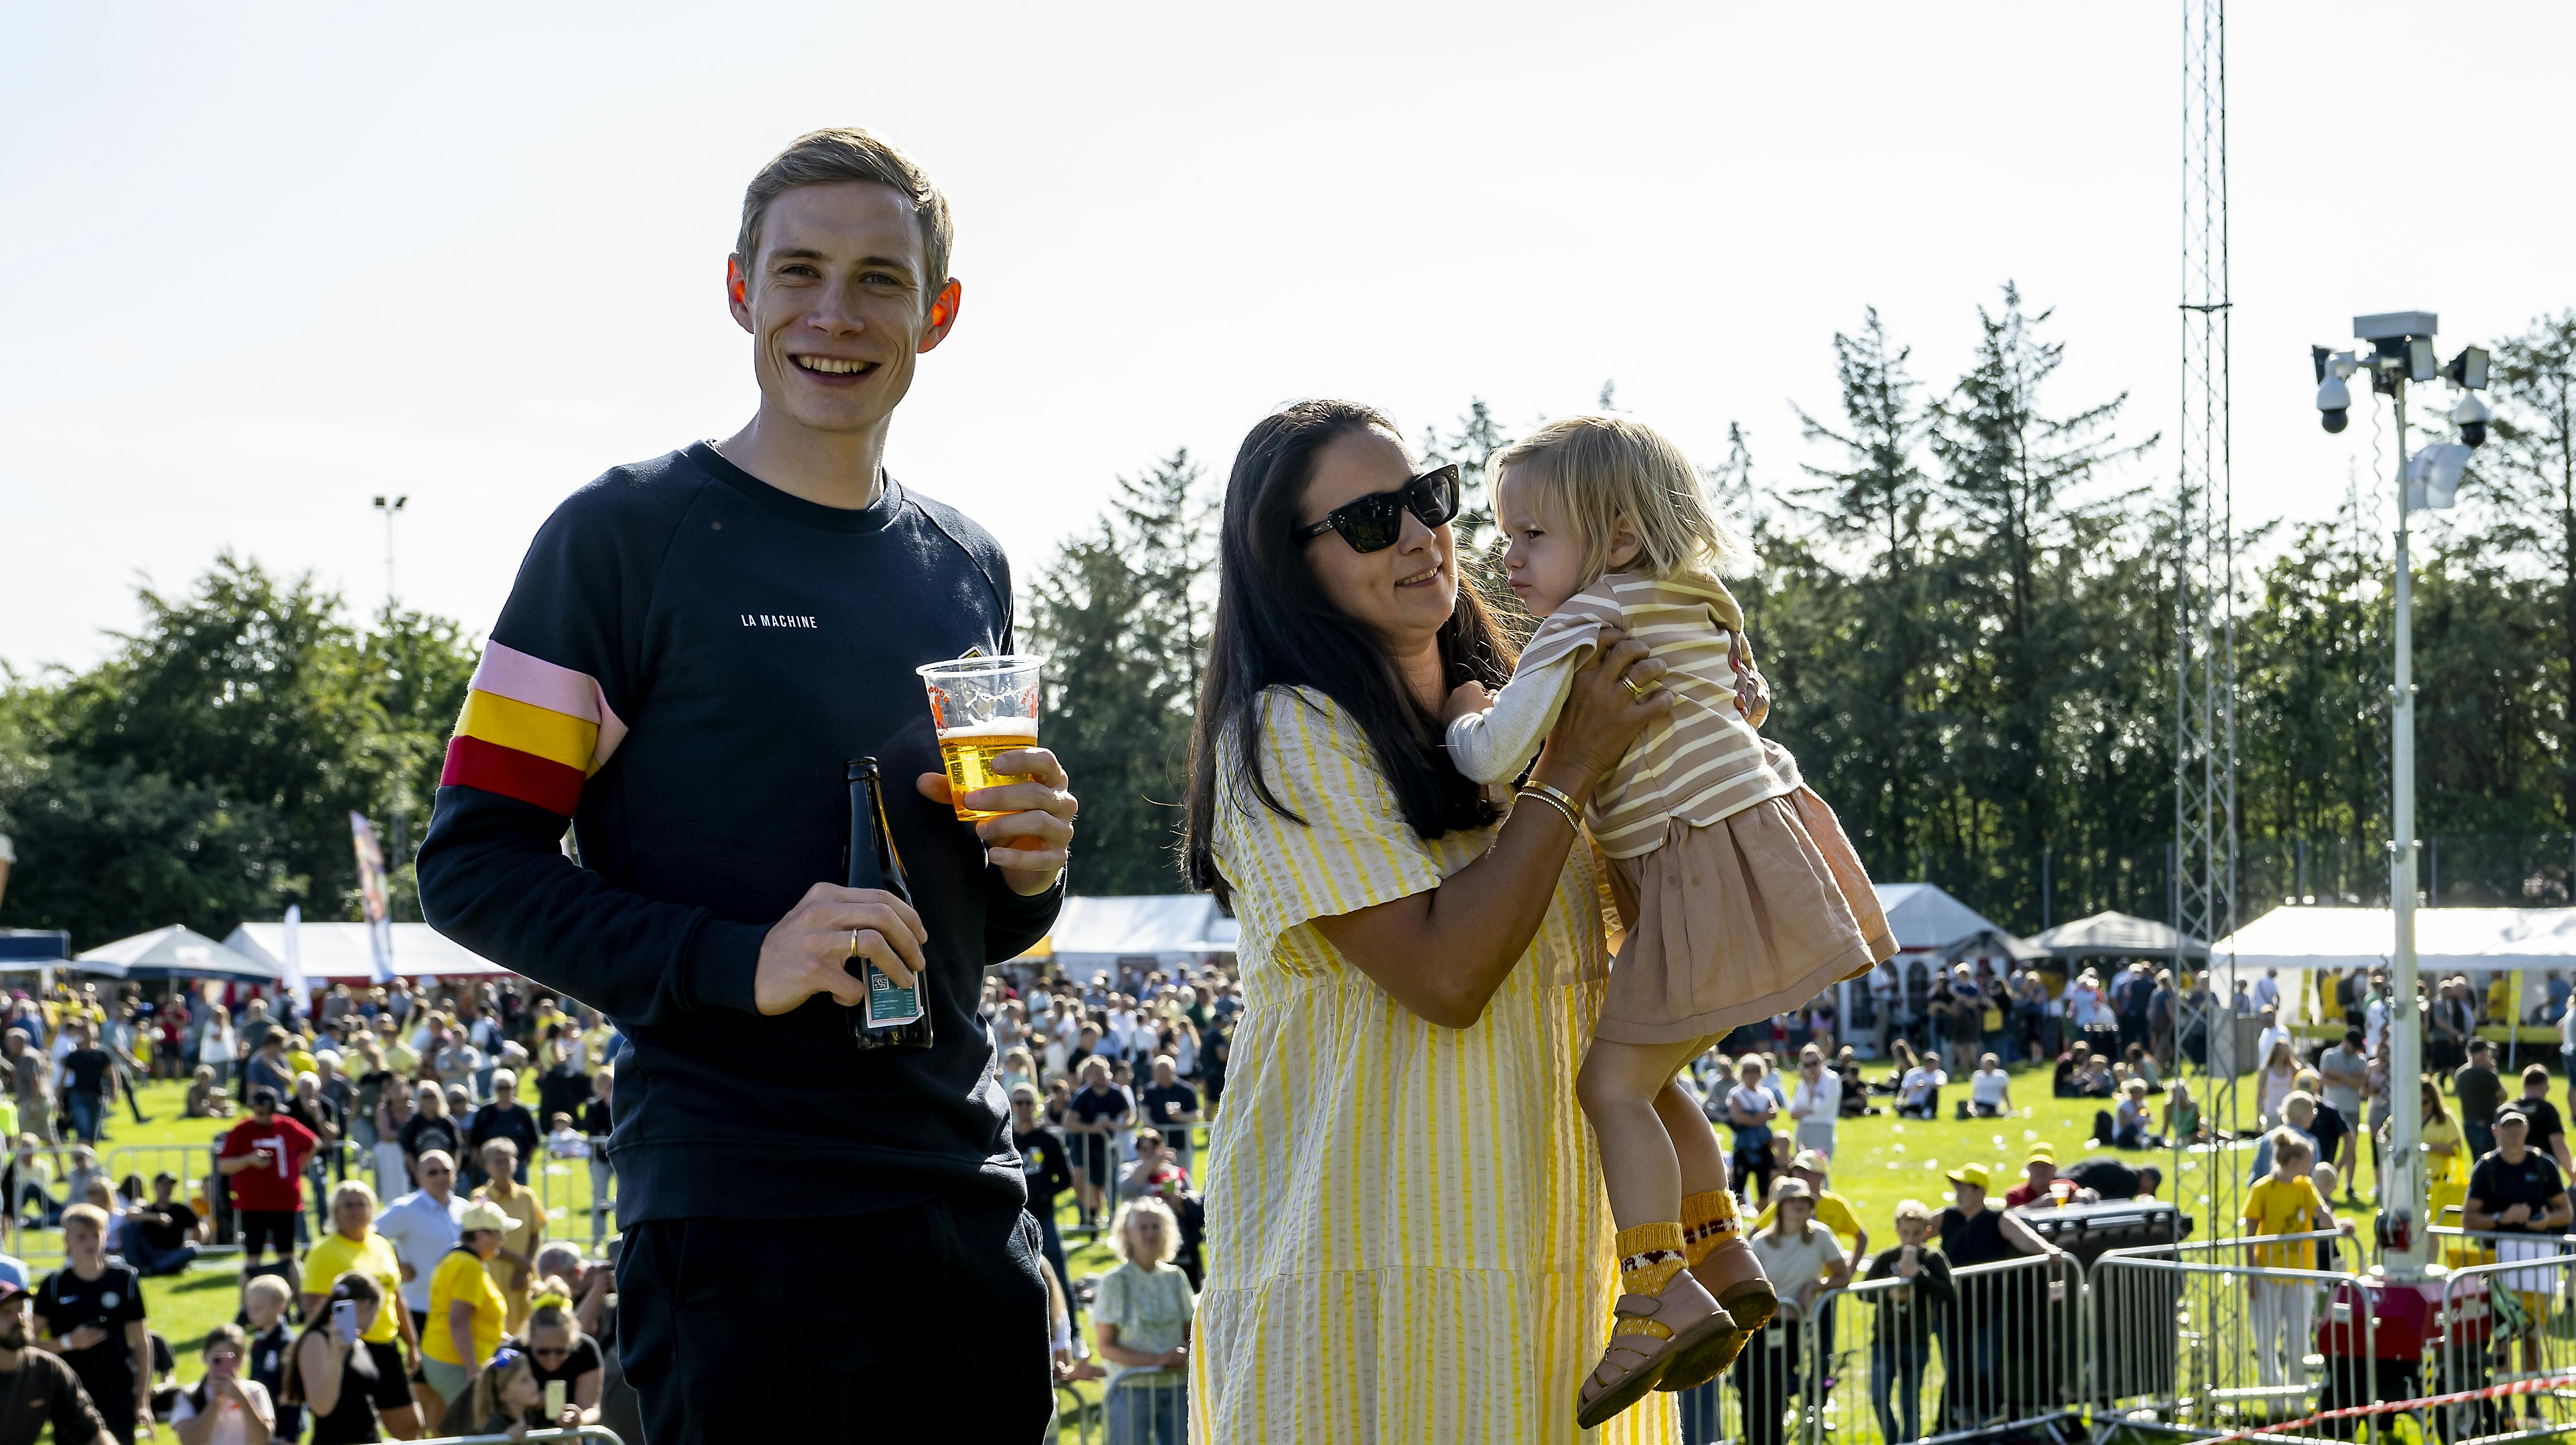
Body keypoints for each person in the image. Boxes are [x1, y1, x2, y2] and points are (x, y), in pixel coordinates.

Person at [415, 125, 1074, 1443]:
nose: (835, 313)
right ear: (739, 291)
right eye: (799, 272)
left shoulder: (970, 562)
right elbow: (469, 864)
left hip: (965, 1193)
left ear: (937, 314)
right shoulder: (618, 536)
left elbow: (982, 927)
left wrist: (1035, 862)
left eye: (880, 278)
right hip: (740, 1208)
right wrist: (739, 956)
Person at [1179, 399, 1685, 1443]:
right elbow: (1447, 976)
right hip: (1367, 1272)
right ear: (1288, 563)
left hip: (1553, 1262)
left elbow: (1641, 945)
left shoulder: (1514, 722)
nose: (1421, 536)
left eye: (1426, 497)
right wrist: (1573, 770)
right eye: (1369, 521)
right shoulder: (1284, 732)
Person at [1433, 414, 1896, 1425]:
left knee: (1607, 1085)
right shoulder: (1696, 597)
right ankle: (1719, 1247)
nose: (1505, 559)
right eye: (1506, 537)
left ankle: (1649, 1295)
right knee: (1652, 1073)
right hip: (1750, 855)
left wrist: (1463, 702)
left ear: (1618, 540)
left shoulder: (1580, 623)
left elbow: (1490, 757)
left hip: (1693, 872)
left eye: (1530, 537)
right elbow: (1741, 705)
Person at [1934, 1165, 2068, 1430]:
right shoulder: (1945, 1218)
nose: (1958, 1193)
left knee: (1984, 1366)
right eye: (1957, 1187)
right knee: (1956, 1369)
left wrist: (2050, 1251)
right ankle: (1958, 1424)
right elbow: (1914, 1227)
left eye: (1963, 1187)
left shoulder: (1998, 1218)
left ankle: (1990, 1423)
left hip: (1987, 1310)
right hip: (1950, 1310)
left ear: (1980, 1191)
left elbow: (2025, 1238)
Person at [299, 1181, 423, 1440]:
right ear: (335, 1211)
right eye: (348, 1205)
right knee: (353, 1429)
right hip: (347, 1349)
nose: (356, 1211)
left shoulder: (382, 1245)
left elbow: (396, 1297)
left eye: (362, 1204)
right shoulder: (324, 1251)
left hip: (386, 1346)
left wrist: (411, 1343)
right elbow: (312, 1307)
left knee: (412, 1426)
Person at [2465, 1106, 2572, 1387]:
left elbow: (2566, 1213)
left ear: (2526, 1129)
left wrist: (2547, 1219)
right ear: (2495, 1131)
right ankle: (2503, 1407)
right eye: (2507, 1126)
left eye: (2518, 1126)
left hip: (2537, 1262)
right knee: (2502, 1335)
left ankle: (2533, 1406)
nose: (2513, 1132)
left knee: (2533, 1334)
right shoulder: (2486, 1168)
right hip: (2498, 1265)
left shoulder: (2543, 1165)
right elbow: (2469, 1219)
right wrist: (2503, 1217)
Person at [1735, 1179, 1847, 1445]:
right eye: (1794, 1200)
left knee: (1770, 1381)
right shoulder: (1761, 1242)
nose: (1800, 1205)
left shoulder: (1820, 1236)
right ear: (1780, 1206)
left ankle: (1773, 1440)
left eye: (1805, 1201)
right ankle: (1754, 1439)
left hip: (1792, 1326)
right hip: (1757, 1326)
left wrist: (1816, 1286)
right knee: (1745, 1382)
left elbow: (1842, 1275)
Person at [30, 1204, 151, 1444]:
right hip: (71, 1392)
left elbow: (141, 1342)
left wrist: (143, 1400)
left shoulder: (124, 1280)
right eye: (82, 1236)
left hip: (118, 1389)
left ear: (106, 1237)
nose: (90, 1243)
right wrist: (68, 1342)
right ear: (67, 1240)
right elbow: (29, 1345)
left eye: (96, 1235)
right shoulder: (54, 1287)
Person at [2244, 1131, 2343, 1395]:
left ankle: (2299, 1397)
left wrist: (2341, 1227)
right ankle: (2274, 1398)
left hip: (2300, 1274)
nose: (2311, 1166)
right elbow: (2249, 1236)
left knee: (2299, 1339)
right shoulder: (2262, 1189)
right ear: (2295, 1161)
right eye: (2308, 1160)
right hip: (2268, 1274)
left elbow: (2324, 1217)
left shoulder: (2305, 1187)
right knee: (2267, 1338)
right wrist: (2251, 1276)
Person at [374, 1150, 464, 1424]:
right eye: (432, 1172)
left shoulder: (464, 1207)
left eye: (446, 1171)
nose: (440, 1178)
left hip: (458, 1311)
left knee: (450, 1386)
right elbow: (371, 1237)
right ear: (418, 1177)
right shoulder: (406, 1209)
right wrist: (398, 1263)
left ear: (455, 1173)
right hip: (420, 1309)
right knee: (425, 1386)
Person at [1095, 1198, 1194, 1445]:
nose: (1150, 1233)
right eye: (1143, 1227)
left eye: (1156, 1226)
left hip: (1176, 1387)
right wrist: (1158, 1360)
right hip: (1131, 1389)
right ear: (1127, 1234)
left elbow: (1191, 1332)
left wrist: (1182, 1353)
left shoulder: (1176, 1277)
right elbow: (1106, 1347)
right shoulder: (1115, 1282)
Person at [1859, 1200, 1954, 1445]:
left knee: (1910, 1401)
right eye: (1905, 1232)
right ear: (1897, 1230)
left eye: (1916, 1233)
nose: (1910, 1238)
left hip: (1917, 1340)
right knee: (1879, 1396)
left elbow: (1949, 1292)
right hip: (1884, 1339)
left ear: (1927, 1232)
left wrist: (1919, 1277)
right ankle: (1893, 1440)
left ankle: (1910, 1441)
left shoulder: (1933, 1258)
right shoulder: (1886, 1258)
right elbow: (1863, 1292)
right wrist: (1888, 1293)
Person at [216, 1088, 318, 1297]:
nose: (263, 1117)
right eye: (259, 1112)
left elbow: (313, 1143)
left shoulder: (287, 1126)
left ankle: (298, 1303)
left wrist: (299, 1167)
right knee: (253, 1258)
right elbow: (223, 1165)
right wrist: (249, 1160)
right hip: (253, 1203)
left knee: (288, 1256)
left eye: (267, 1112)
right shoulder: (242, 1130)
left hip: (284, 1202)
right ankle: (246, 1307)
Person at [421, 1201, 510, 1410]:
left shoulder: (457, 1258)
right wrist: (473, 1370)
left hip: (445, 1357)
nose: (502, 1239)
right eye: (499, 1233)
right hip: (456, 1364)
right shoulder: (469, 1266)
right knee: (474, 1428)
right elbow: (459, 1321)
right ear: (480, 1235)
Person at [279, 1272, 387, 1444]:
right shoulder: (316, 1340)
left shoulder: (357, 1342)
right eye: (377, 1310)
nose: (376, 1318)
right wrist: (337, 1355)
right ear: (365, 1304)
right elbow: (321, 1407)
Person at [1009, 1085, 1076, 1302]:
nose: (1023, 1108)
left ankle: (1073, 1332)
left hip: (1044, 1217)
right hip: (1013, 1218)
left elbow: (1067, 1178)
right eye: (1019, 1102)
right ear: (1011, 1106)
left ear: (1037, 1106)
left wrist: (1046, 1193)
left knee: (1057, 1273)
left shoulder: (1049, 1141)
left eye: (1028, 1102)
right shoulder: (1005, 1141)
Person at [469, 1141, 541, 1332]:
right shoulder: (480, 1197)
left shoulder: (527, 1195)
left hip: (525, 1275)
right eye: (497, 1162)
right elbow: (481, 1239)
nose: (503, 1166)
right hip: (496, 1273)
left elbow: (535, 1234)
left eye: (507, 1160)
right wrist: (520, 1262)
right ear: (486, 1166)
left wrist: (525, 1266)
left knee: (528, 1328)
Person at [168, 1322, 276, 1445]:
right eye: (218, 1359)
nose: (227, 1365)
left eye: (234, 1358)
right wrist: (217, 1401)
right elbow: (189, 1441)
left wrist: (242, 1398)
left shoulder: (256, 1391)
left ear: (244, 1360)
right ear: (205, 1356)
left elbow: (263, 1440)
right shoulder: (190, 1395)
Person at [515, 1290, 603, 1430]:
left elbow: (592, 1408)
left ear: (572, 1343)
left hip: (569, 1435)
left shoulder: (586, 1350)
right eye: (543, 1352)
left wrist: (579, 1420)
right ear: (529, 1340)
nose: (552, 1359)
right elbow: (494, 1404)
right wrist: (533, 1399)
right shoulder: (514, 1353)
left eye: (561, 1351)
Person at [1065, 1057, 1133, 1232]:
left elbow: (1130, 1116)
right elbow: (1069, 1121)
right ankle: (1092, 1213)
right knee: (1077, 1178)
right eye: (1095, 1073)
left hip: (1105, 1147)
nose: (1099, 1077)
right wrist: (1092, 1129)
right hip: (1082, 1144)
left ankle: (1095, 1217)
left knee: (1099, 1187)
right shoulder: (1083, 1094)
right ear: (1088, 1076)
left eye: (1102, 1072)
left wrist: (1118, 1125)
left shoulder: (1117, 1093)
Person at [463, 1072, 539, 1189]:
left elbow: (534, 1140)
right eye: (501, 1088)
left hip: (517, 1166)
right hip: (489, 1167)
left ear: (514, 1089)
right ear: (495, 1090)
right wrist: (482, 1164)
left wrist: (525, 1161)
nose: (504, 1092)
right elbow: (475, 1142)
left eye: (508, 1088)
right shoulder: (485, 1112)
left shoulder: (523, 1112)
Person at [1728, 1057, 1782, 1214]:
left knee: (1764, 1185)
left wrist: (1751, 1118)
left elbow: (1774, 1112)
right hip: (1743, 1146)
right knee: (1738, 1185)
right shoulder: (1737, 1093)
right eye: (1748, 1071)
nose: (1752, 1075)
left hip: (1763, 1146)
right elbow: (1737, 1116)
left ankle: (1762, 1217)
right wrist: (1760, 1117)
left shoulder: (1766, 1093)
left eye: (1756, 1071)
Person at [1134, 1056, 1203, 1176]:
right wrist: (1148, 1123)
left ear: (1174, 1071)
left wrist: (1181, 1117)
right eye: (1159, 1073)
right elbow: (1144, 1112)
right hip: (1156, 1147)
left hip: (1182, 1144)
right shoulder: (1150, 1091)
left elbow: (1197, 1114)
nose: (1162, 1076)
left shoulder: (1187, 1090)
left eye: (1166, 1072)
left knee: (1182, 1177)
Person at [2512, 1065, 2574, 1174]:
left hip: (2513, 1172)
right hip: (2544, 1173)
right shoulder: (2547, 1110)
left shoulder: (2509, 1109)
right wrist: (2572, 1175)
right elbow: (2558, 1145)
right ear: (2543, 1086)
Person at [1786, 1046, 1840, 1158]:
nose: (1811, 1068)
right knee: (1802, 1171)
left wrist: (1810, 1084)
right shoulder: (1802, 1084)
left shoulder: (1832, 1079)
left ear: (1822, 1060)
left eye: (1814, 1063)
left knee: (1820, 1172)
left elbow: (1820, 1108)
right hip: (1803, 1130)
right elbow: (1793, 1113)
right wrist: (1809, 1110)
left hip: (1823, 1129)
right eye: (1807, 1065)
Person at [2456, 1038, 2504, 1162]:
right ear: (2482, 1054)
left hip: (2468, 1123)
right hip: (2486, 1123)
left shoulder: (2460, 1074)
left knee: (2476, 1161)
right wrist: (2494, 1071)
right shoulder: (2488, 1075)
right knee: (2490, 1161)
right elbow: (2503, 1094)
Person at [2255, 1040, 2298, 1126]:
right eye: (2280, 1052)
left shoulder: (2292, 1069)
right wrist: (2258, 1117)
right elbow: (2260, 1094)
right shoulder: (2266, 1070)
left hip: (2289, 1112)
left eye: (2285, 1052)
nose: (2282, 1055)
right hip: (2272, 1111)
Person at [1968, 1053, 2013, 1119]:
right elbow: (1975, 1092)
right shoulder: (1977, 1076)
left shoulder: (2001, 1076)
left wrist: (2010, 1109)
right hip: (1978, 1102)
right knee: (1971, 1108)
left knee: (1982, 1111)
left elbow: (2004, 1093)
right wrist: (1971, 1104)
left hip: (1991, 1103)